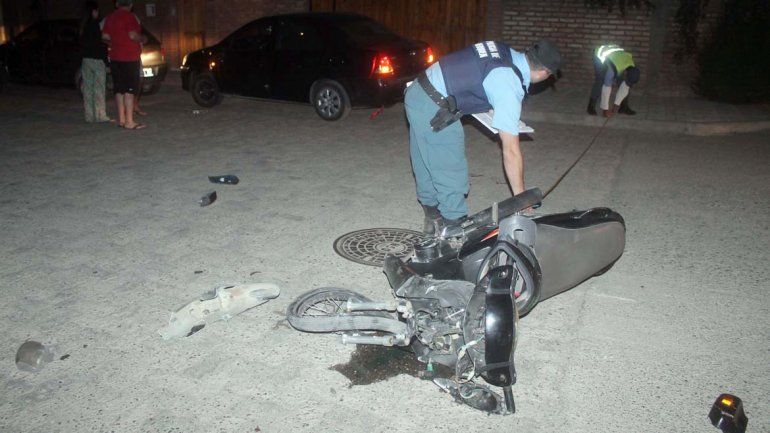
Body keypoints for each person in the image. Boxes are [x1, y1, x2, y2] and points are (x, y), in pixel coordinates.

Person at [405, 40, 563, 234]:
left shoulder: (504, 51)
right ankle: (455, 229)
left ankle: (432, 218)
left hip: (418, 91)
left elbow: (476, 76)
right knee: (450, 167)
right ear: (545, 72)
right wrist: (522, 199)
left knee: (425, 158)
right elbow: (511, 151)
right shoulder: (508, 84)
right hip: (435, 105)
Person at [102, 0, 146, 129]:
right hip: (129, 57)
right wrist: (143, 39)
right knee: (129, 89)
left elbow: (105, 36)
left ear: (117, 4)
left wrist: (116, 41)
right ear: (130, 5)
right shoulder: (130, 17)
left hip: (115, 57)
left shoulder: (110, 17)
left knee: (119, 89)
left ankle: (121, 119)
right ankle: (129, 121)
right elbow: (133, 35)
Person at [587, 44, 640, 117]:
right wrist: (605, 109)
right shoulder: (613, 69)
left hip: (616, 57)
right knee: (600, 80)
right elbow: (607, 86)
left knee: (621, 81)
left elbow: (626, 85)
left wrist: (616, 104)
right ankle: (591, 107)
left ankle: (623, 107)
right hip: (599, 56)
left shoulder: (631, 64)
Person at [79, 1, 110, 123]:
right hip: (97, 59)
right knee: (99, 88)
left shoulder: (83, 26)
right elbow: (99, 44)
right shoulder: (95, 25)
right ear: (93, 11)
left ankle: (89, 115)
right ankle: (100, 114)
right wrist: (106, 61)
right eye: (97, 11)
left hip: (86, 59)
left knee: (88, 88)